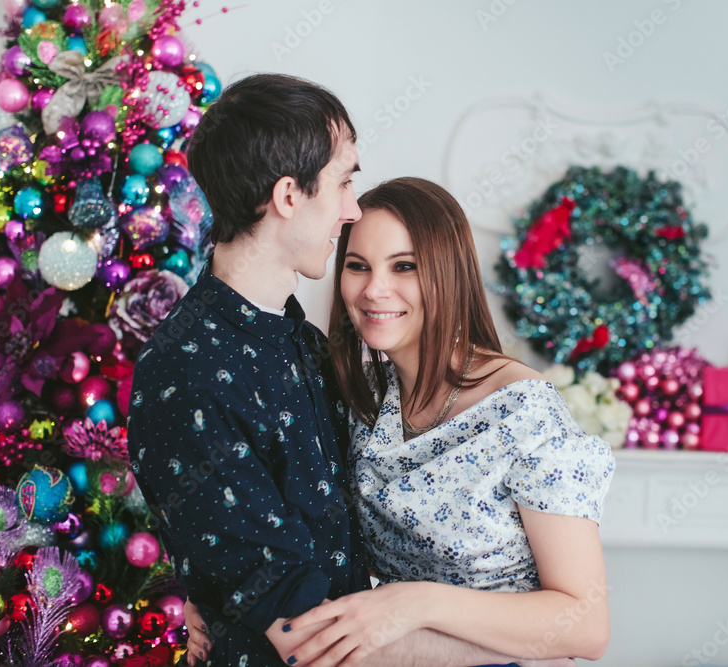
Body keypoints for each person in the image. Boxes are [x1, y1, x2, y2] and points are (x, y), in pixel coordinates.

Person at [131, 74, 569, 667]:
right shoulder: (187, 372)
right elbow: (310, 639)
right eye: (343, 181)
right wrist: (520, 651)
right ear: (289, 196)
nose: (352, 208)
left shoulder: (307, 346)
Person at [185, 177, 615, 666]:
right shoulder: (360, 394)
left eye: (404, 266)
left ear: (449, 273)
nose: (374, 289)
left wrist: (418, 603)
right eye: (358, 266)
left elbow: (586, 626)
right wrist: (220, 589)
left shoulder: (525, 413)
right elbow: (273, 506)